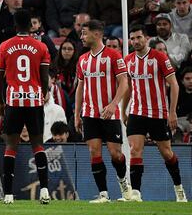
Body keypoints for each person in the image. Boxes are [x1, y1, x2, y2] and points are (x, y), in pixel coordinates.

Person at [122, 24, 188, 202]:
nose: (135, 41)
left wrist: (172, 112)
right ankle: (136, 193)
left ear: (146, 38)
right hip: (137, 112)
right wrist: (123, 110)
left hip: (158, 113)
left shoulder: (159, 57)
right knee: (135, 150)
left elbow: (174, 84)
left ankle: (179, 188)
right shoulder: (128, 60)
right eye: (133, 38)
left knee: (166, 153)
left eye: (138, 37)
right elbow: (127, 87)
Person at [0, 8, 51, 204]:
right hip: (34, 101)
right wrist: (42, 94)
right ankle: (44, 190)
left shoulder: (4, 46)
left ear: (15, 25)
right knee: (38, 145)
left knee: (11, 146)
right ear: (30, 25)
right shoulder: (41, 47)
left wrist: (1, 102)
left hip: (14, 101)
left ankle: (8, 195)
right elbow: (44, 77)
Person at [74, 20, 131, 203]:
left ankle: (124, 183)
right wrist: (77, 114)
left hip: (110, 113)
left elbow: (124, 82)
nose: (82, 37)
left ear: (97, 34)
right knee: (94, 152)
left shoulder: (113, 56)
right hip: (89, 113)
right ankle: (104, 194)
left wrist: (114, 104)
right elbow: (80, 88)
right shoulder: (82, 59)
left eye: (85, 33)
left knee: (116, 154)